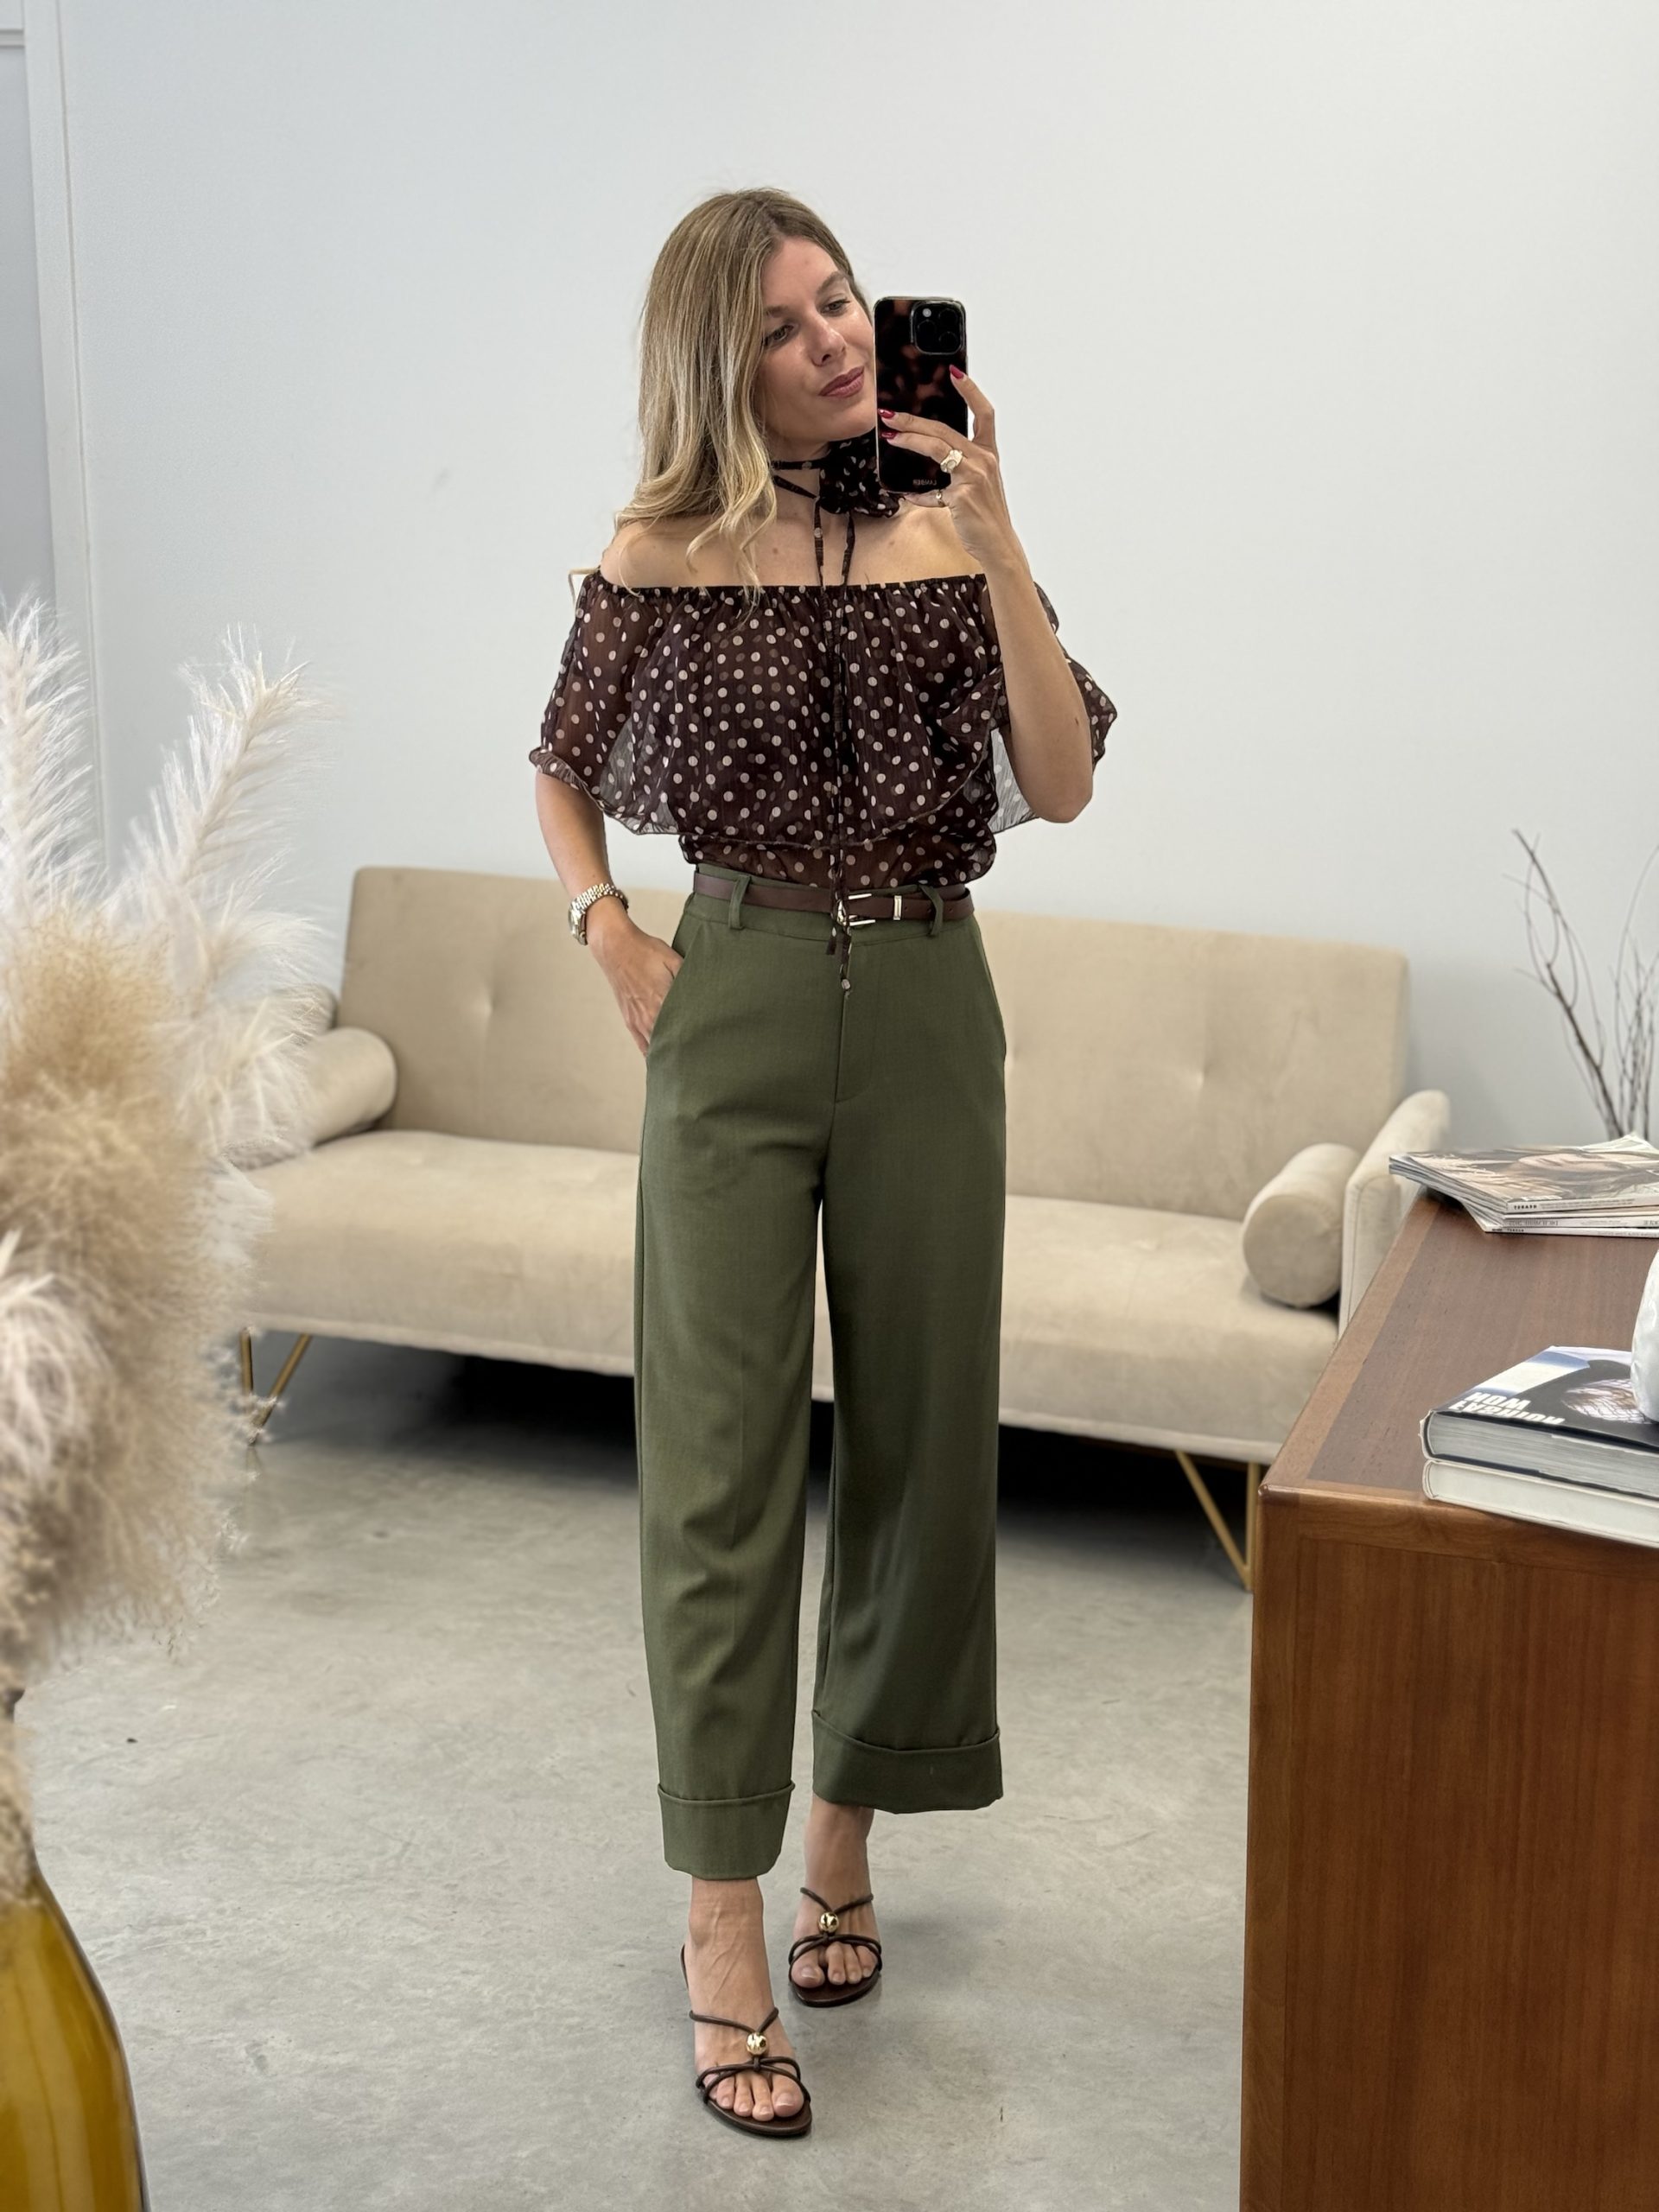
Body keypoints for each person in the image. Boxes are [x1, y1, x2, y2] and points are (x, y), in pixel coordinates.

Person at [531, 187, 1117, 2140]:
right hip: (742, 992)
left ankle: (845, 1835)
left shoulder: (952, 530)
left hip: (934, 993)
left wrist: (1003, 532)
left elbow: (1061, 782)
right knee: (717, 1461)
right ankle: (723, 1912)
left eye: (844, 298)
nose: (838, 339)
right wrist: (610, 931)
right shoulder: (667, 545)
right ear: (725, 361)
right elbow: (562, 757)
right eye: (787, 323)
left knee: (923, 1437)